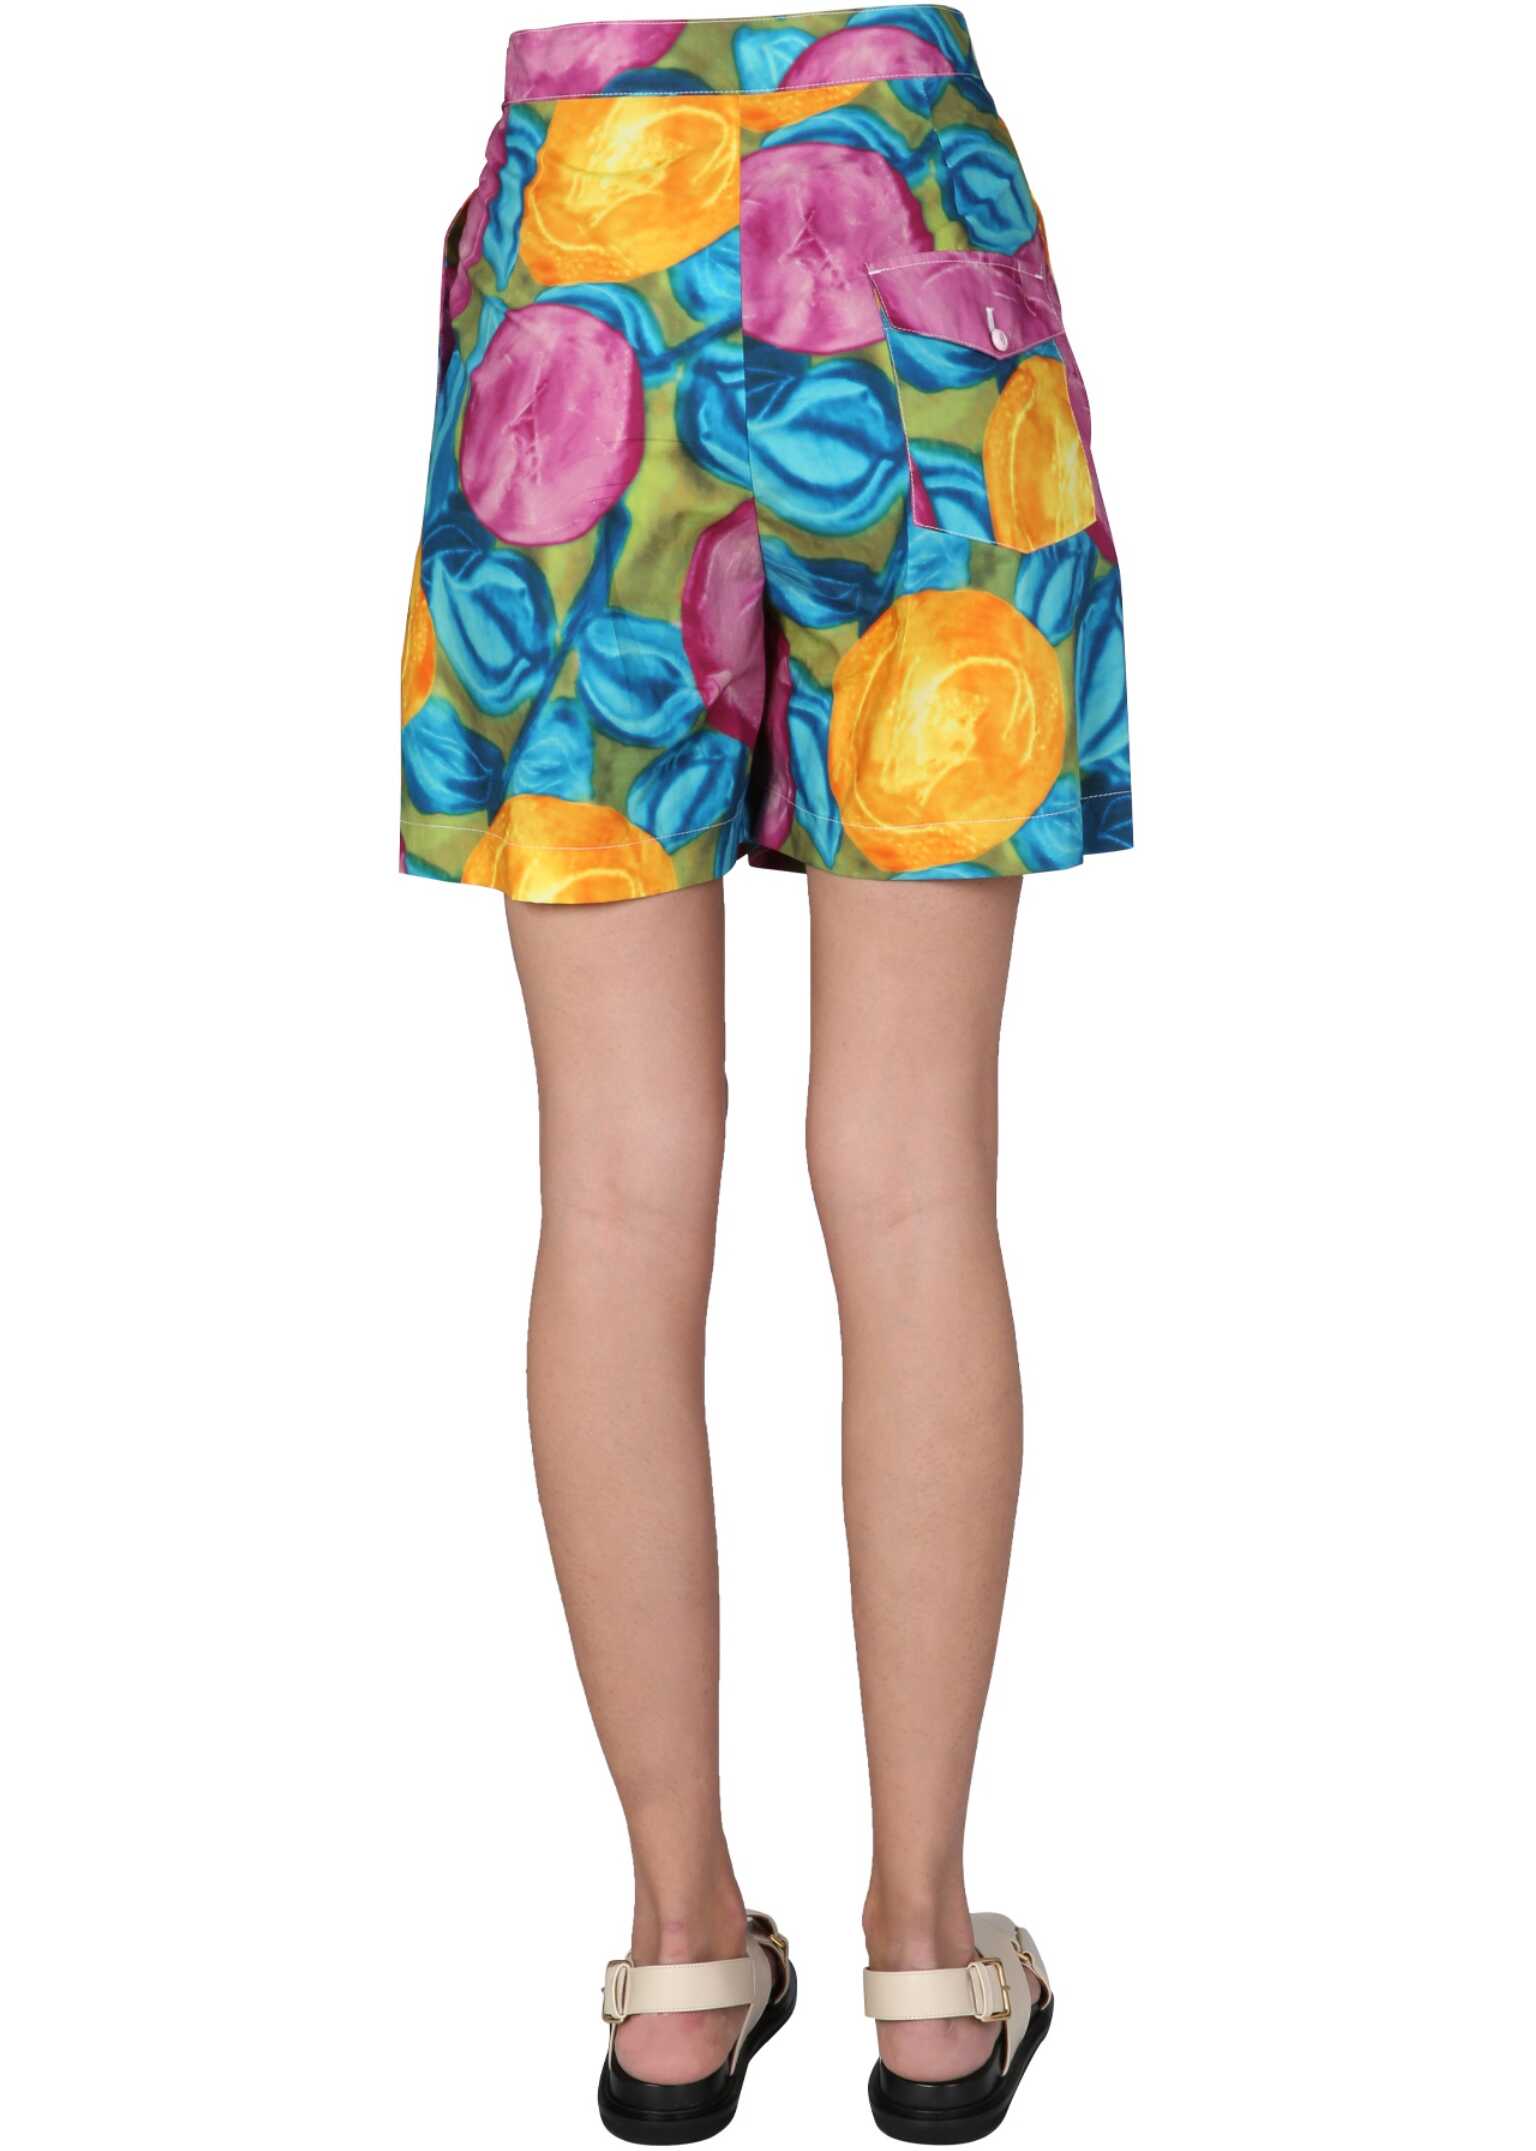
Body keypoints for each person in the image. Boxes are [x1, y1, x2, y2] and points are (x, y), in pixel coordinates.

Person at [400, 10, 1131, 2140]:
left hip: (587, 238)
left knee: (617, 1185)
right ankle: (927, 1958)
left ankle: (679, 1951)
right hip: (903, 227)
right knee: (912, 1175)